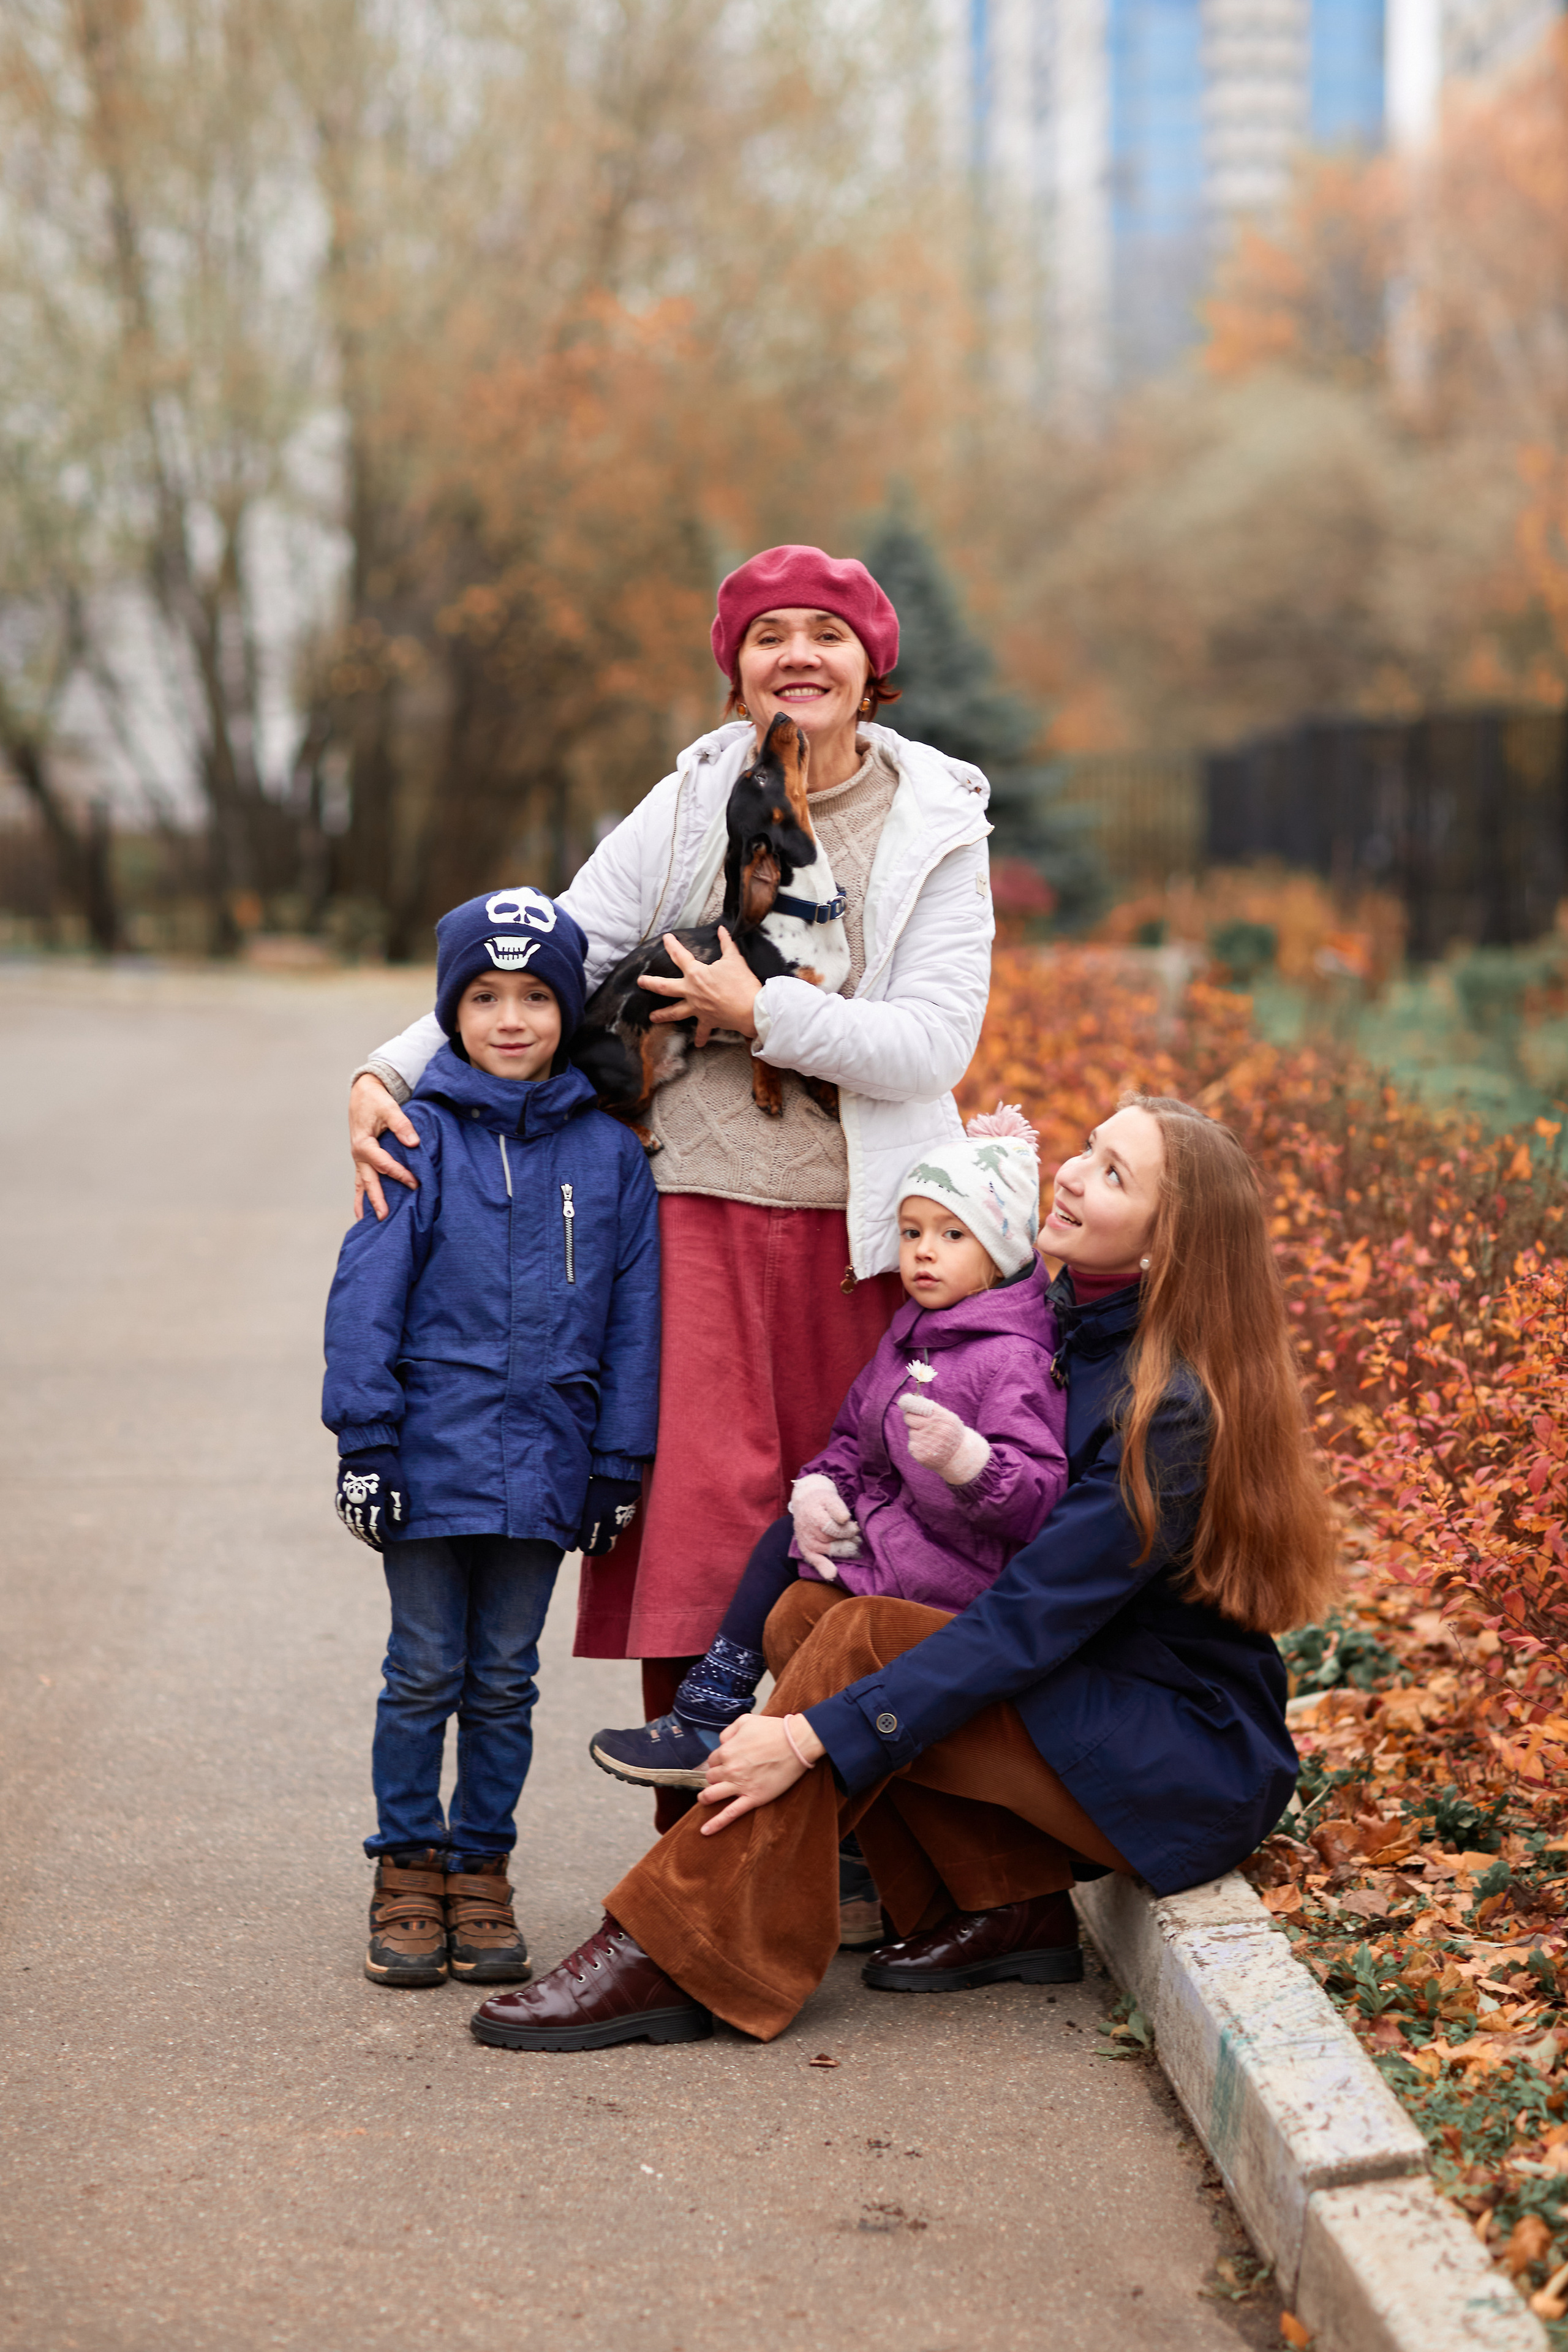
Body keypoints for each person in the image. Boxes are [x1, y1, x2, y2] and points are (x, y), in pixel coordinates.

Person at [345, 543, 995, 1936]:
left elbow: (934, 1042)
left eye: (827, 633)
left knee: (853, 1536)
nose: (797, 656)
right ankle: (696, 1856)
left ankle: (839, 1831)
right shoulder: (695, 796)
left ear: (872, 667)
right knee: (699, 1539)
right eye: (769, 637)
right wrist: (389, 1069)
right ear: (736, 668)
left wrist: (762, 1014)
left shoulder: (937, 819)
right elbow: (565, 946)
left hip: (859, 1232)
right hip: (688, 1209)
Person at [464, 1094, 1341, 2051]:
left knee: (864, 1634)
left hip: (1176, 1750)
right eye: (1090, 1149)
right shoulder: (1056, 1320)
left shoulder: (1167, 1409)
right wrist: (826, 1490)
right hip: (1079, 1689)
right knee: (804, 1610)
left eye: (1114, 1175)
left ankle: (679, 1946)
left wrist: (805, 1737)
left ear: (1167, 1246)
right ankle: (1007, 1904)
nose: (1074, 1174)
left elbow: (1026, 1619)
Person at [323, 887, 660, 1989]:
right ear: (450, 1011)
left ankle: (481, 1870)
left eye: (534, 998)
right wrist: (365, 1444)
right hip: (428, 1459)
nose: (510, 1019)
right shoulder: (414, 1136)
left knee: (507, 1677)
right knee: (424, 1670)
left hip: (548, 1465)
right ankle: (406, 1866)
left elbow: (635, 1317)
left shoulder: (610, 1157)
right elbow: (365, 1297)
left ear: (568, 1010)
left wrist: (619, 1462)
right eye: (483, 997)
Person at [587, 1107, 1068, 1834]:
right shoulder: (914, 1335)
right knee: (786, 1536)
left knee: (807, 1609)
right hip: (902, 1544)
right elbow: (854, 1436)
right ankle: (713, 1715)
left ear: (1000, 1252)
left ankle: (731, 1737)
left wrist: (969, 1462)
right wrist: (820, 1487)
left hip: (957, 1573)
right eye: (910, 1232)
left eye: (952, 1234)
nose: (923, 1253)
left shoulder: (1012, 1359)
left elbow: (1038, 1497)